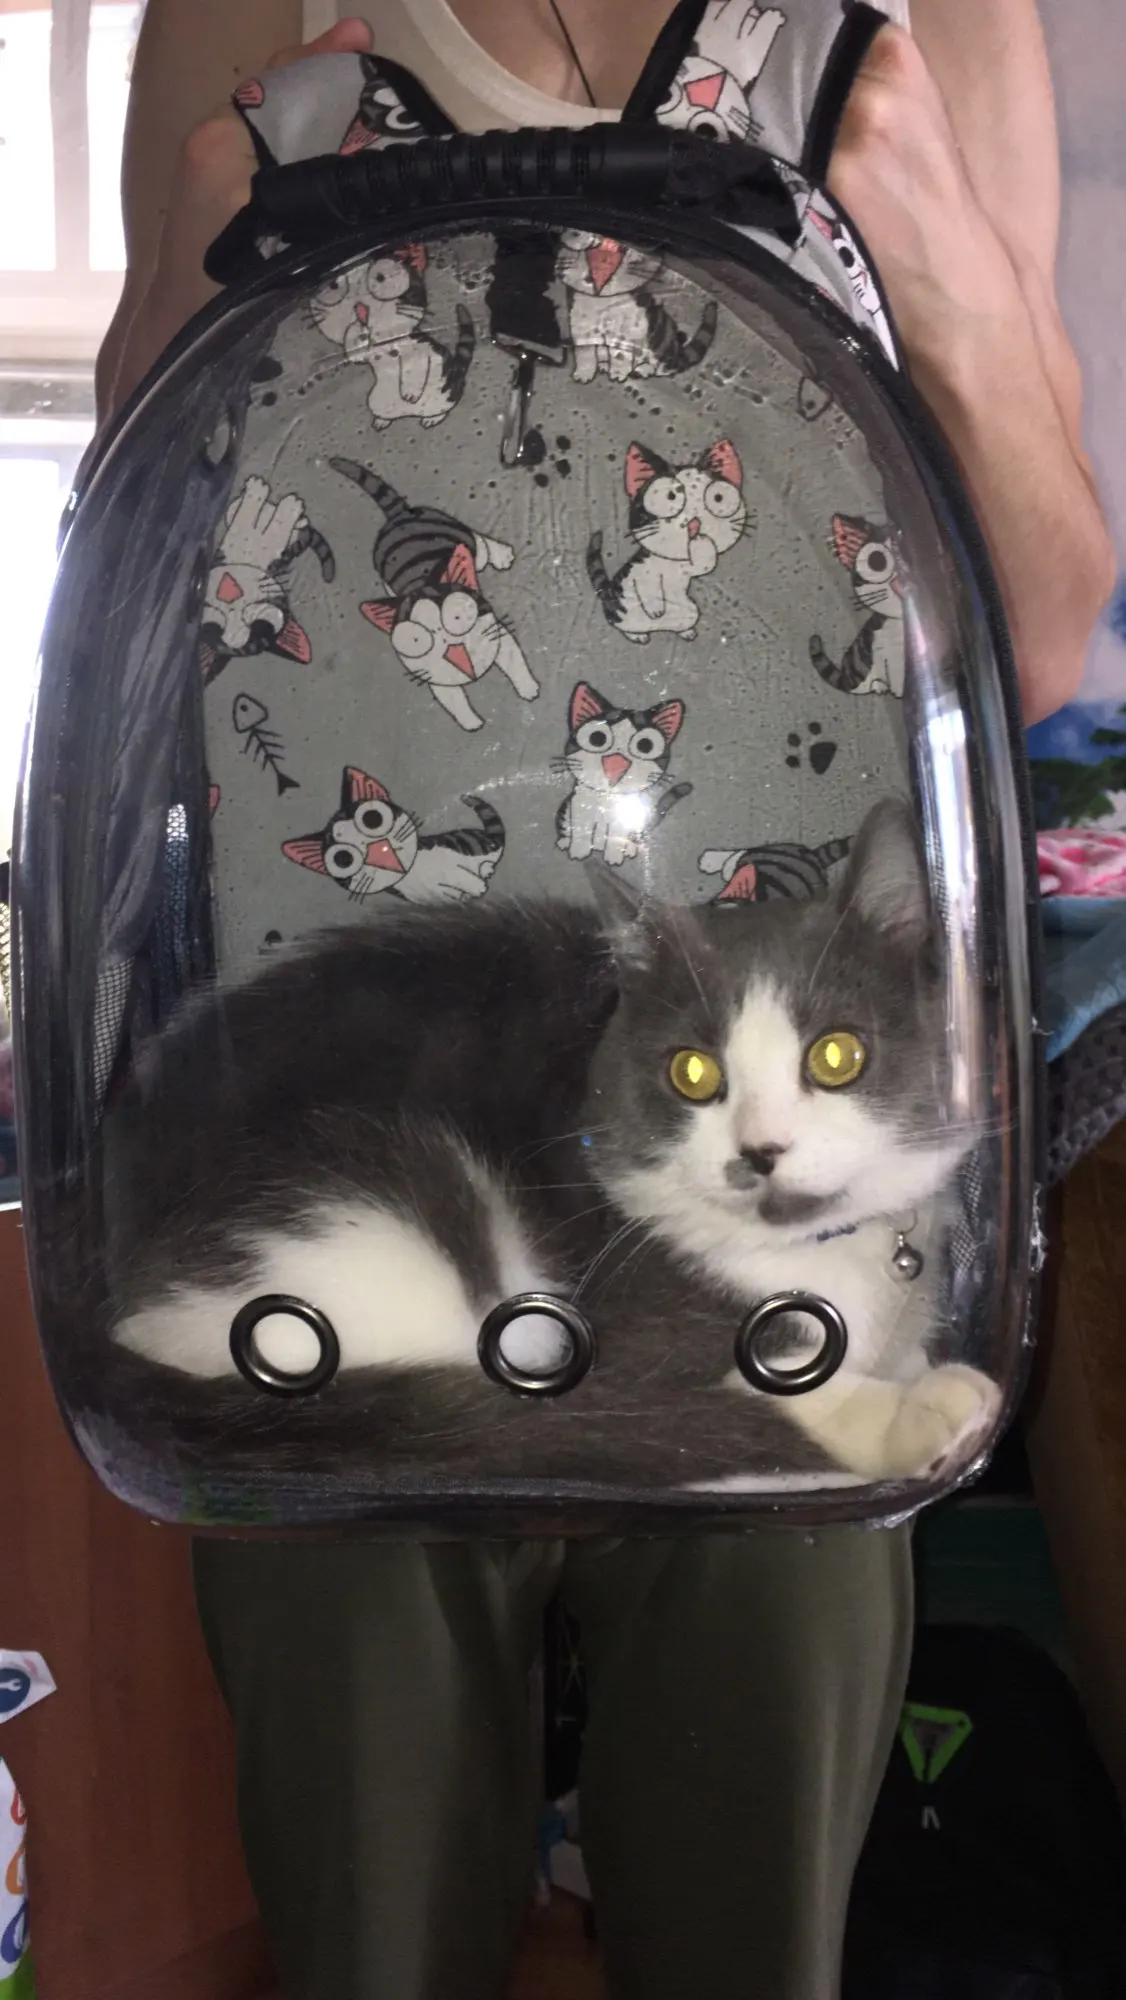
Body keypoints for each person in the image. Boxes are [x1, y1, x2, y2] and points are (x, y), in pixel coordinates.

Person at [94, 6, 1113, 1998]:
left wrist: (934, 261)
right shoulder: (240, 12)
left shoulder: (911, 28)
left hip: (774, 1175)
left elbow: (1046, 630)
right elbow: (135, 582)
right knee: (369, 1933)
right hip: (344, 1108)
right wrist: (187, 277)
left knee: (748, 1929)